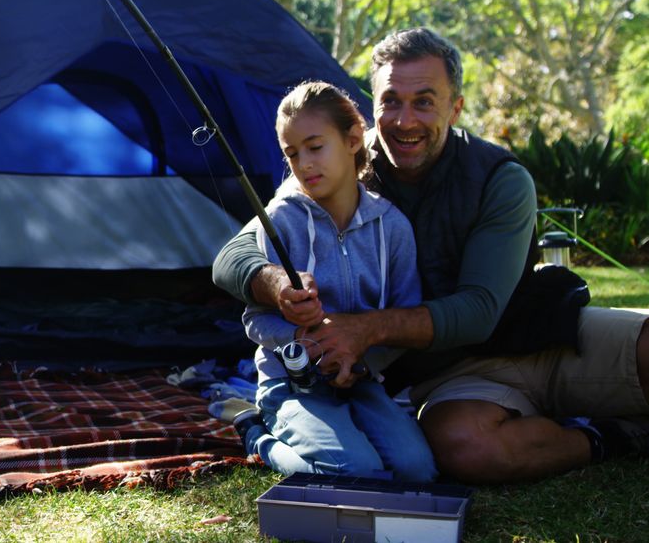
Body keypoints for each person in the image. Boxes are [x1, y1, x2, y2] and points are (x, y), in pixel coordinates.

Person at [213, 27, 649, 484]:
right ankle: (610, 436)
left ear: (455, 107)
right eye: (391, 101)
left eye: (424, 101)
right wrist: (277, 282)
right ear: (371, 109)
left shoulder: (500, 178)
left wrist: (362, 330)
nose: (405, 121)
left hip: (547, 337)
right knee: (466, 450)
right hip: (453, 376)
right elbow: (234, 255)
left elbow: (479, 310)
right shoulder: (338, 167)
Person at [223, 81, 436, 481]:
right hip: (291, 385)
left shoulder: (393, 228)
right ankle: (257, 435)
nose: (303, 163)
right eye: (292, 153)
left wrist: (361, 362)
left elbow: (403, 318)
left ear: (354, 138)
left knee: (418, 470)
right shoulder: (281, 220)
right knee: (354, 470)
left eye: (315, 147)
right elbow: (254, 320)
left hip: (363, 384)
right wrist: (299, 342)